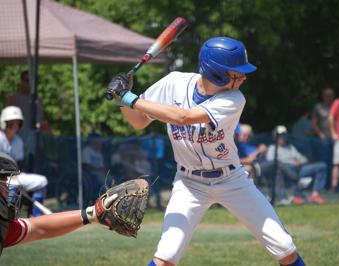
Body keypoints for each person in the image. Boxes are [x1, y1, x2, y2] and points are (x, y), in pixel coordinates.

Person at [106, 37, 305, 266]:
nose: (244, 77)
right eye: (236, 73)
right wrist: (122, 101)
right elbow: (139, 121)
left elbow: (183, 117)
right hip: (190, 183)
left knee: (285, 248)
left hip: (232, 179)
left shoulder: (234, 98)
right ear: (217, 72)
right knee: (166, 257)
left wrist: (131, 98)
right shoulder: (173, 83)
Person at [0, 151, 145, 255]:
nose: (8, 189)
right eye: (4, 182)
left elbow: (39, 228)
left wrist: (92, 214)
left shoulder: (4, 228)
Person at [0, 106, 48, 217]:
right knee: (15, 183)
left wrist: (14, 174)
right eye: (12, 123)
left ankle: (36, 217)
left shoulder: (18, 141)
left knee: (42, 181)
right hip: (2, 178)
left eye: (17, 123)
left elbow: (16, 163)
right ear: (3, 123)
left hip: (13, 176)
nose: (15, 126)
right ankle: (7, 216)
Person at [266, 125, 327, 204]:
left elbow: (303, 159)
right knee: (290, 168)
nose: (282, 137)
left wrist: (299, 162)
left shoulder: (290, 147)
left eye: (284, 135)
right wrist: (290, 163)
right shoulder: (272, 148)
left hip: (299, 169)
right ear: (275, 137)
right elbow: (271, 162)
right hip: (286, 170)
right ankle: (296, 195)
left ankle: (315, 195)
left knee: (321, 166)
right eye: (280, 135)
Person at [311, 88, 335, 188]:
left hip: (335, 139)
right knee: (324, 163)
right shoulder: (318, 107)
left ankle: (332, 185)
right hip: (323, 140)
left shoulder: (336, 106)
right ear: (323, 96)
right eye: (326, 95)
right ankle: (322, 186)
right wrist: (321, 135)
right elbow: (314, 124)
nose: (328, 97)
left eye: (330, 95)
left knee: (334, 163)